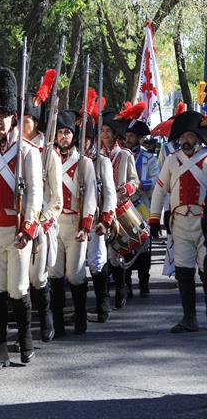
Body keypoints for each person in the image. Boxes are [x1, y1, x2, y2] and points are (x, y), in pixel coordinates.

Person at [0, 67, 42, 370]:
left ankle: (25, 341)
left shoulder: (28, 152)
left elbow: (36, 194)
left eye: (3, 115)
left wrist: (28, 229)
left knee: (18, 289)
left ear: (14, 117)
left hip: (17, 231)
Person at [150, 111, 207, 333]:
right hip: (180, 224)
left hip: (204, 224)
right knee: (183, 272)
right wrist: (154, 220)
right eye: (182, 137)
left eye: (190, 136)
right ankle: (189, 318)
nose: (186, 140)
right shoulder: (172, 161)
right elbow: (159, 190)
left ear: (198, 138)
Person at [49, 110, 96, 336]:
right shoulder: (51, 160)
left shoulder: (84, 163)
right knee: (55, 274)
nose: (63, 137)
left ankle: (80, 316)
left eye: (67, 132)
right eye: (59, 133)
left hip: (76, 222)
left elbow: (91, 198)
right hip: (54, 222)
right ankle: (57, 322)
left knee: (75, 274)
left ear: (74, 136)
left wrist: (85, 225)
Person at [21, 92, 62, 343]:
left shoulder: (49, 153)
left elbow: (57, 198)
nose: (23, 123)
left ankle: (45, 314)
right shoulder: (13, 150)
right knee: (18, 279)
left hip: (40, 224)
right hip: (16, 222)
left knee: (37, 276)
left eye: (27, 119)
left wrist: (40, 222)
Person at [100, 109, 140, 308]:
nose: (105, 134)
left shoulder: (125, 155)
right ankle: (105, 293)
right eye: (103, 130)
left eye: (108, 130)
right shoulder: (95, 156)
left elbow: (135, 181)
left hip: (120, 208)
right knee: (102, 253)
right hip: (101, 210)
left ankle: (121, 287)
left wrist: (125, 189)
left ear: (116, 134)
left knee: (115, 253)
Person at [83, 119, 117, 324]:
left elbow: (110, 194)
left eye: (85, 139)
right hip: (71, 218)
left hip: (95, 219)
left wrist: (106, 219)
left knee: (97, 261)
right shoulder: (69, 159)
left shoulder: (101, 160)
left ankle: (102, 304)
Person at [124, 120, 159, 298]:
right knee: (126, 244)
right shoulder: (121, 155)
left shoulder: (148, 157)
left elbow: (156, 177)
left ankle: (144, 283)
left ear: (138, 138)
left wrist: (149, 183)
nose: (127, 138)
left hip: (143, 206)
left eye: (131, 136)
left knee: (144, 245)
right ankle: (127, 283)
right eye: (127, 135)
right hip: (125, 206)